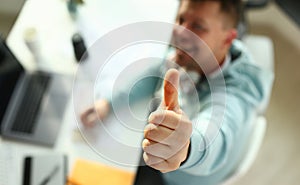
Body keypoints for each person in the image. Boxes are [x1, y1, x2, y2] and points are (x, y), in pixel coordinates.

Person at [80, 0, 274, 185]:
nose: (181, 32)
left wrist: (185, 146)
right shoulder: (193, 53)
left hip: (179, 177)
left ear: (228, 39)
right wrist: (110, 103)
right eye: (181, 19)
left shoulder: (238, 92)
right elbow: (156, 73)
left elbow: (216, 133)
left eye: (198, 26)